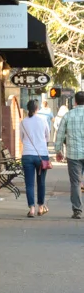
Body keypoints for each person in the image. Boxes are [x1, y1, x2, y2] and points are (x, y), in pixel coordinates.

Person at [55, 90, 84, 219]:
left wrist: (58, 150)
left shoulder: (68, 115)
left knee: (76, 183)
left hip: (74, 155)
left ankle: (77, 210)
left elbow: (60, 134)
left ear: (75, 101)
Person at [20, 98, 50, 217]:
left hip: (27, 154)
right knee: (41, 182)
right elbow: (47, 137)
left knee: (29, 184)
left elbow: (21, 139)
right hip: (41, 155)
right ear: (37, 108)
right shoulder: (43, 120)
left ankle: (31, 209)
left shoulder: (23, 122)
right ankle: (41, 207)